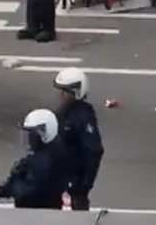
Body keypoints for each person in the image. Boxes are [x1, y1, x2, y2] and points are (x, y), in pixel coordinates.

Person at [0, 109, 65, 209]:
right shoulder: (48, 156)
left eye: (32, 134)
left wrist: (15, 180)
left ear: (43, 133)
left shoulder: (43, 163)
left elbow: (26, 193)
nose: (29, 139)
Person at [53, 68, 103, 211]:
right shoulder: (62, 113)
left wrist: (84, 184)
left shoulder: (84, 117)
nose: (60, 95)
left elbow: (94, 150)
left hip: (74, 182)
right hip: (59, 178)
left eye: (65, 91)